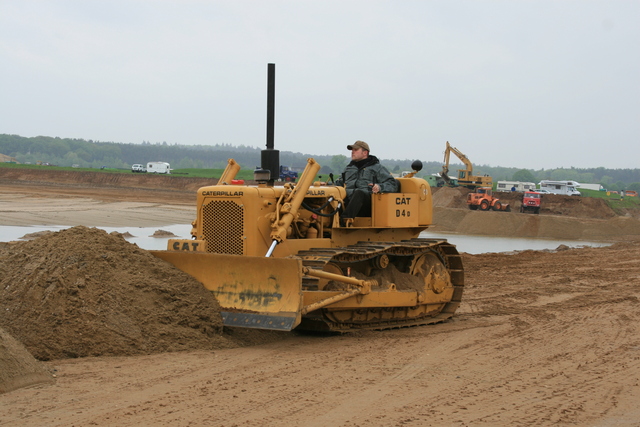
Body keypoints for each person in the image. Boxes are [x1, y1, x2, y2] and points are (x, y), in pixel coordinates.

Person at [339, 140, 398, 223]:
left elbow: (393, 184)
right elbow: (339, 182)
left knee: (359, 192)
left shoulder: (376, 168)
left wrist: (379, 187)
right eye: (352, 150)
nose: (352, 152)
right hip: (349, 201)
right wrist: (326, 185)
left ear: (365, 153)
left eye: (356, 150)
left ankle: (344, 221)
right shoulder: (349, 168)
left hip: (368, 204)